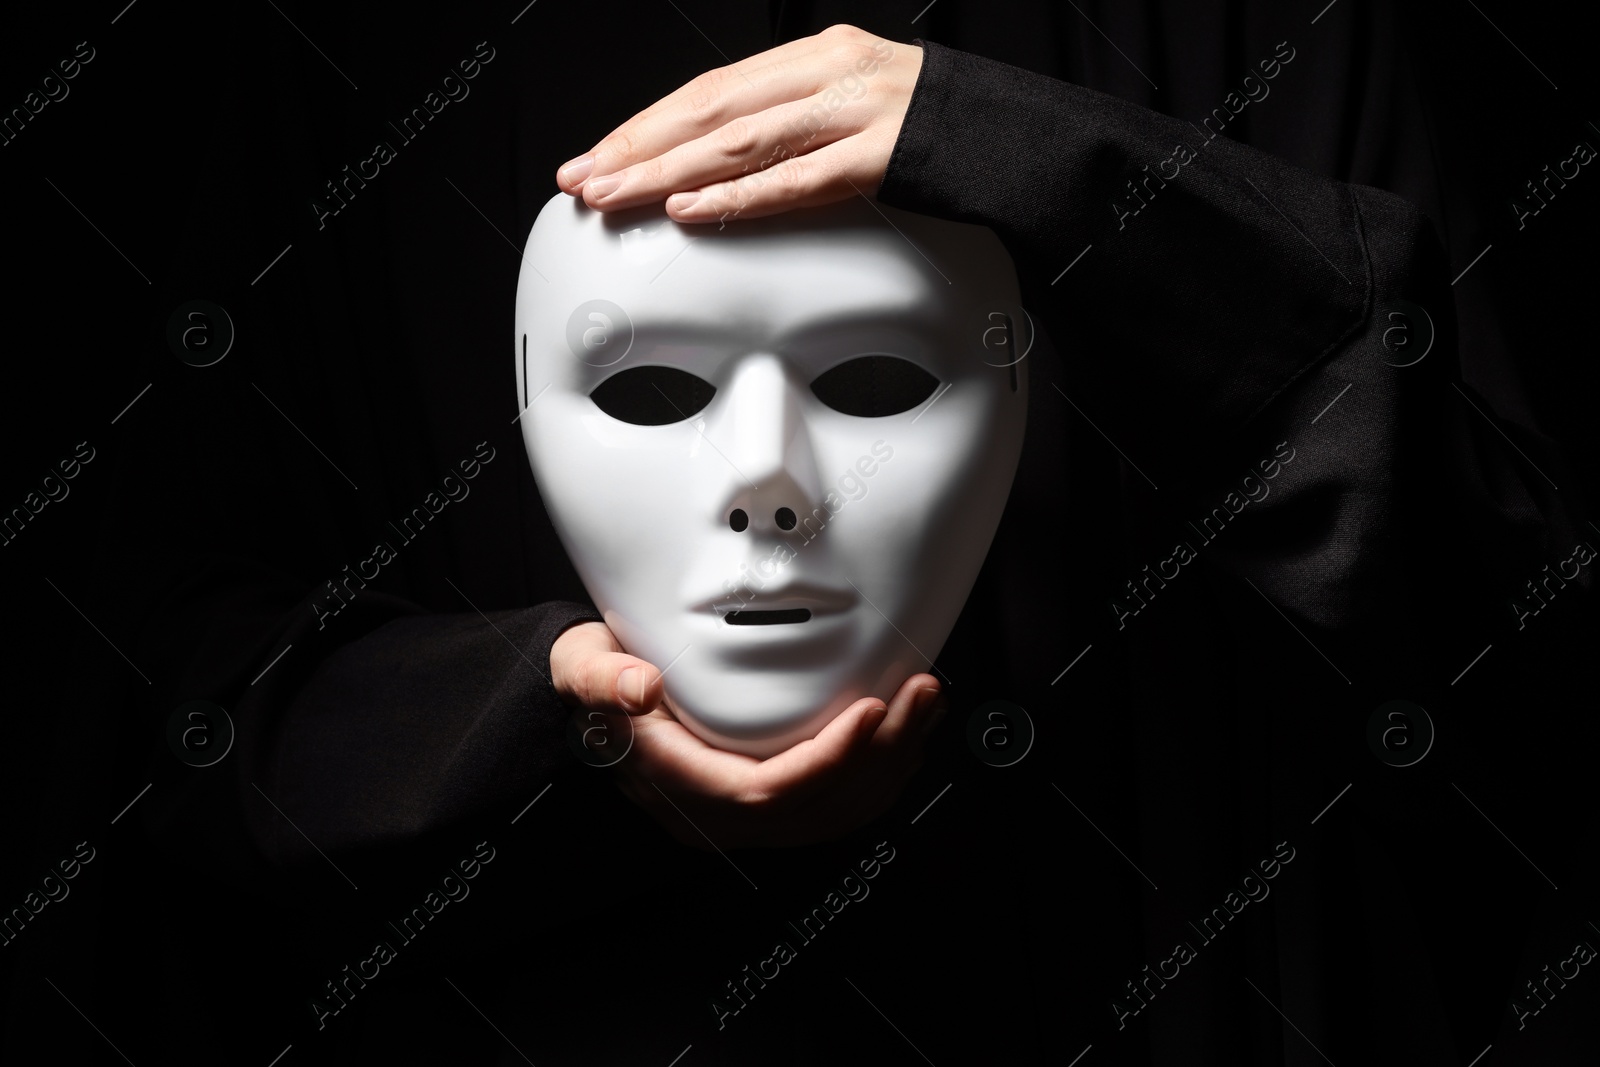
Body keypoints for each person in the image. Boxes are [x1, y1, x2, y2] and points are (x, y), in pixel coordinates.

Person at [9, 3, 1591, 1065]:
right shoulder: (348, 54)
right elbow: (153, 698)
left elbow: (1518, 626)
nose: (772, 484)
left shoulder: (1256, 29)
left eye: (877, 377)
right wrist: (527, 724)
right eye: (651, 390)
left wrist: (1076, 175)